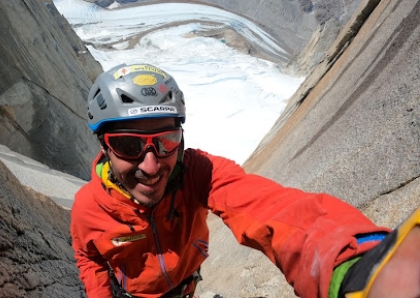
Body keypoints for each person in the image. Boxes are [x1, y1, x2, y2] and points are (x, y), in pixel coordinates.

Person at [70, 63, 419, 298]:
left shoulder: (197, 174)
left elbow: (273, 210)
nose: (151, 165)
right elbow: (90, 260)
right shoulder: (89, 208)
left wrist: (353, 265)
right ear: (104, 144)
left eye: (167, 142)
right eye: (129, 145)